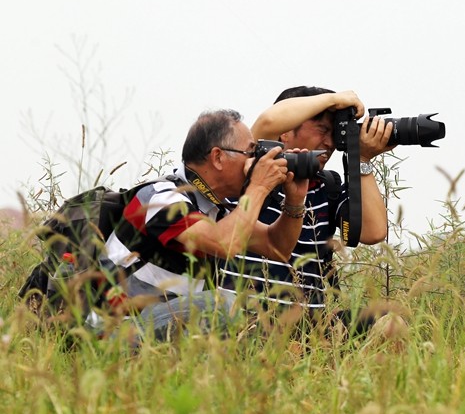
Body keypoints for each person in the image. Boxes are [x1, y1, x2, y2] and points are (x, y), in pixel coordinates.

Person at [100, 109, 309, 341]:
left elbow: (277, 247)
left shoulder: (211, 209)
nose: (255, 161)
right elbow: (226, 243)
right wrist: (259, 187)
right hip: (111, 332)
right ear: (218, 157)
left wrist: (296, 199)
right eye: (251, 152)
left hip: (151, 326)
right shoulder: (161, 198)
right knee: (223, 304)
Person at [217, 87, 395, 333]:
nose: (330, 143)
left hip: (312, 330)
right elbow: (268, 121)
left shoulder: (326, 186)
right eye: (322, 130)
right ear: (285, 132)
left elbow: (373, 232)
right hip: (247, 322)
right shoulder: (247, 172)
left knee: (390, 324)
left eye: (334, 134)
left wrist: (361, 160)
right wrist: (335, 100)